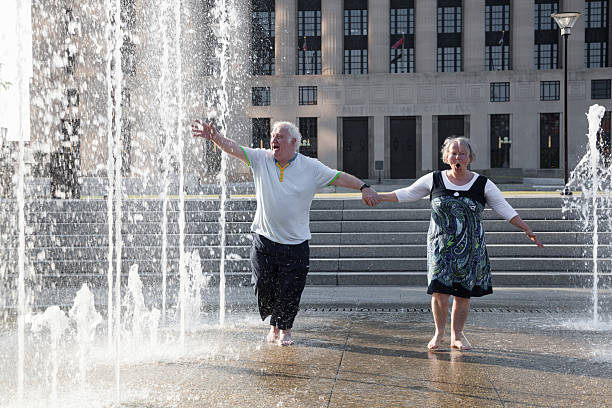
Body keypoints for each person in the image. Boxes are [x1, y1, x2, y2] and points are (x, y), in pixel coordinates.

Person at [192, 119, 379, 346]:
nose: (273, 139)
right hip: (264, 240)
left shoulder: (310, 167)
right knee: (263, 285)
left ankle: (285, 331)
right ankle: (274, 324)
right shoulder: (262, 159)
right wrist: (214, 137)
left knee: (290, 291)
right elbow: (235, 149)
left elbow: (338, 176)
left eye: (279, 136)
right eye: (272, 135)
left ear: (293, 142)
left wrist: (363, 187)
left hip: (296, 244)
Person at [376, 136, 543, 351]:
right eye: (453, 153)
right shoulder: (434, 179)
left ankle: (457, 336)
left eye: (462, 153)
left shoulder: (483, 184)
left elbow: (504, 207)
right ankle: (439, 333)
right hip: (440, 248)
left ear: (470, 158)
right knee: (439, 292)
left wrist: (525, 228)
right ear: (446, 157)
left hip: (470, 249)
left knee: (463, 295)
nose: (457, 157)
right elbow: (407, 193)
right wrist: (379, 197)